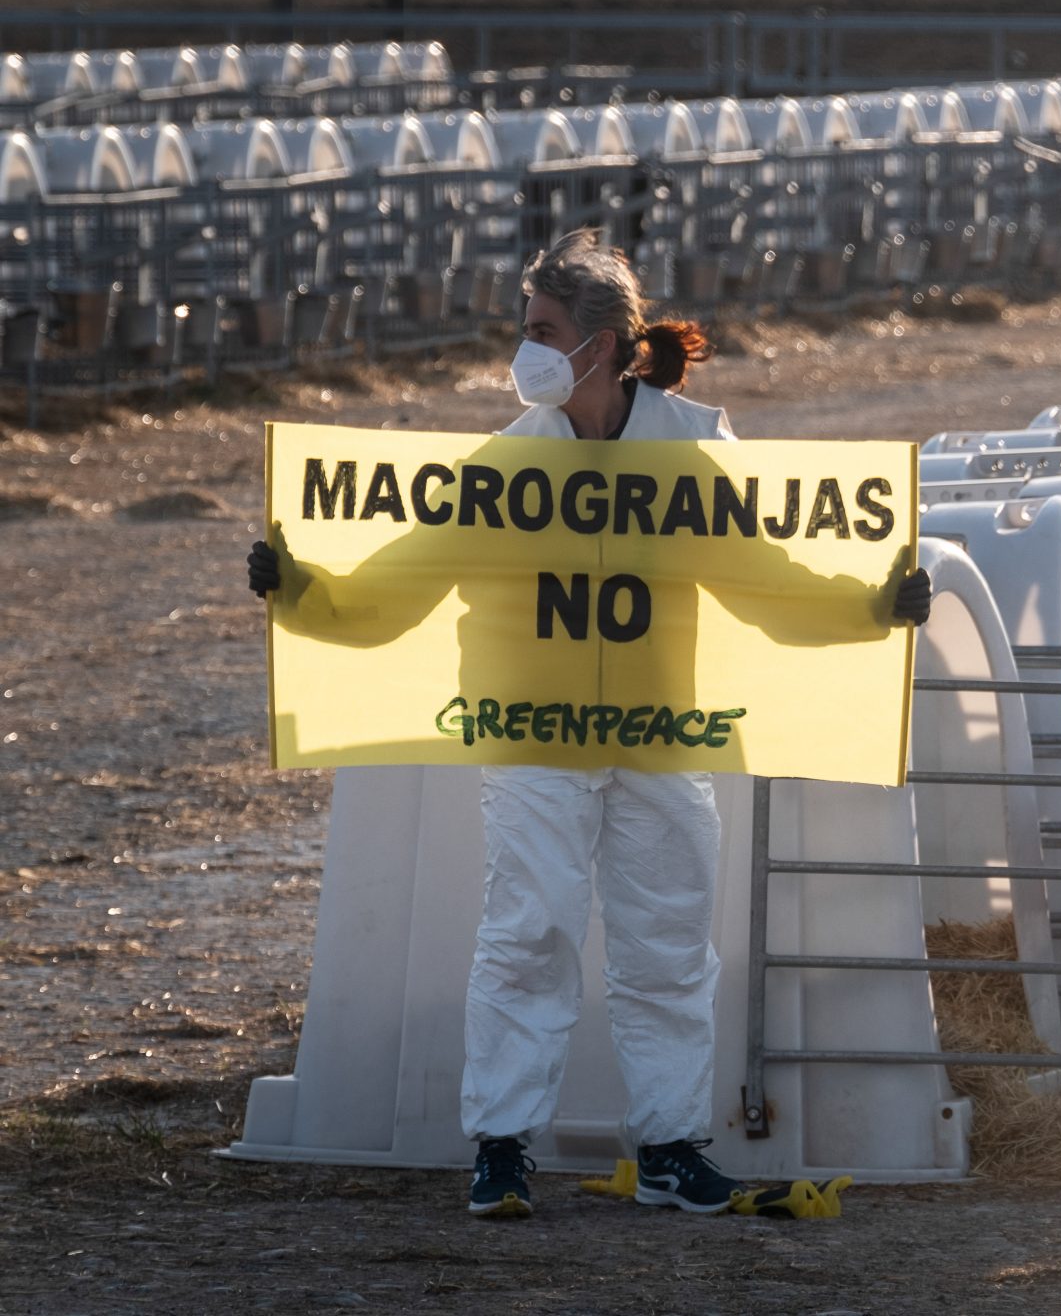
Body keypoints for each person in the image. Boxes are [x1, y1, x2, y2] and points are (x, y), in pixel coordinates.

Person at [249, 229, 932, 1219]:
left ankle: (668, 1146)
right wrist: (300, 587)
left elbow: (767, 582)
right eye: (523, 328)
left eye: (541, 330)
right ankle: (501, 1146)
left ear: (603, 344)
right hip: (535, 740)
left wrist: (876, 605)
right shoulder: (504, 463)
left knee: (667, 946)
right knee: (529, 935)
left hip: (659, 739)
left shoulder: (693, 452)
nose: (522, 349)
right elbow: (396, 584)